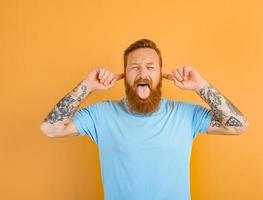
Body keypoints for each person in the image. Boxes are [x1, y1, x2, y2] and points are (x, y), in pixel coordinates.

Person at [40, 39, 249, 200]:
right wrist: (87, 86)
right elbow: (51, 129)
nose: (142, 73)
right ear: (124, 74)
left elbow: (239, 126)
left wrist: (200, 86)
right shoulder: (101, 115)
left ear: (160, 74)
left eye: (150, 67)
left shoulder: (187, 115)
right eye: (134, 67)